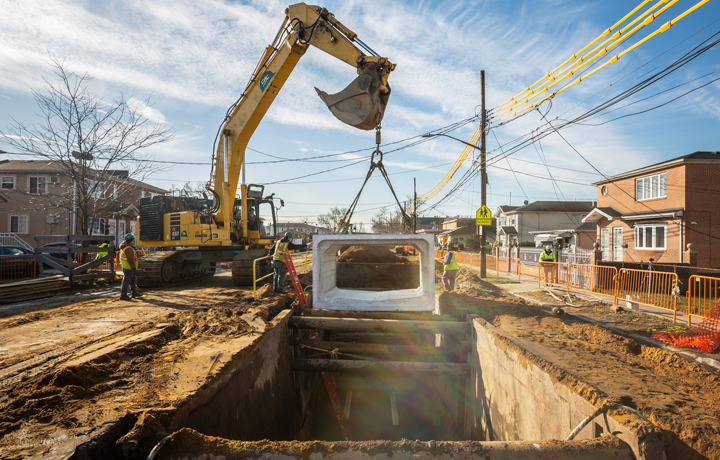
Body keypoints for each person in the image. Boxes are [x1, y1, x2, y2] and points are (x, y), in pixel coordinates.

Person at [119, 233, 142, 300]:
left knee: (132, 281)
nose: (134, 241)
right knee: (126, 281)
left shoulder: (125, 247)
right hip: (129, 268)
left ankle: (134, 292)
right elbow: (130, 260)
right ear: (130, 241)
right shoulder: (128, 249)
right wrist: (133, 268)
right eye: (133, 240)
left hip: (127, 267)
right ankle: (123, 295)